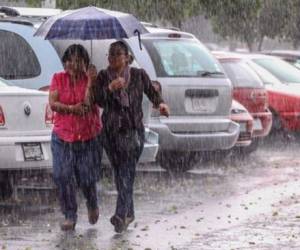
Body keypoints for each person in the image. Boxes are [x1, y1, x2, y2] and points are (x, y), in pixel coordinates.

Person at [86, 41, 170, 233]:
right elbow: (97, 101)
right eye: (111, 55)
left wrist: (162, 104)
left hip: (133, 132)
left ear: (127, 57)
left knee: (126, 172)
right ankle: (129, 213)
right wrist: (109, 88)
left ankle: (120, 214)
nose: (113, 58)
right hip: (110, 134)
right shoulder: (103, 76)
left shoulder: (139, 75)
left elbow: (152, 92)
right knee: (120, 174)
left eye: (117, 54)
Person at [49, 44, 103, 231]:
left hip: (88, 136)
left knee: (87, 177)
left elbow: (88, 105)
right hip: (62, 135)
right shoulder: (58, 78)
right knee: (62, 175)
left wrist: (90, 82)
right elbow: (53, 104)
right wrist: (72, 109)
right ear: (65, 62)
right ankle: (69, 214)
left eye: (78, 60)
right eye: (70, 59)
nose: (73, 64)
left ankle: (92, 202)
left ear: (85, 63)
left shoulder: (92, 80)